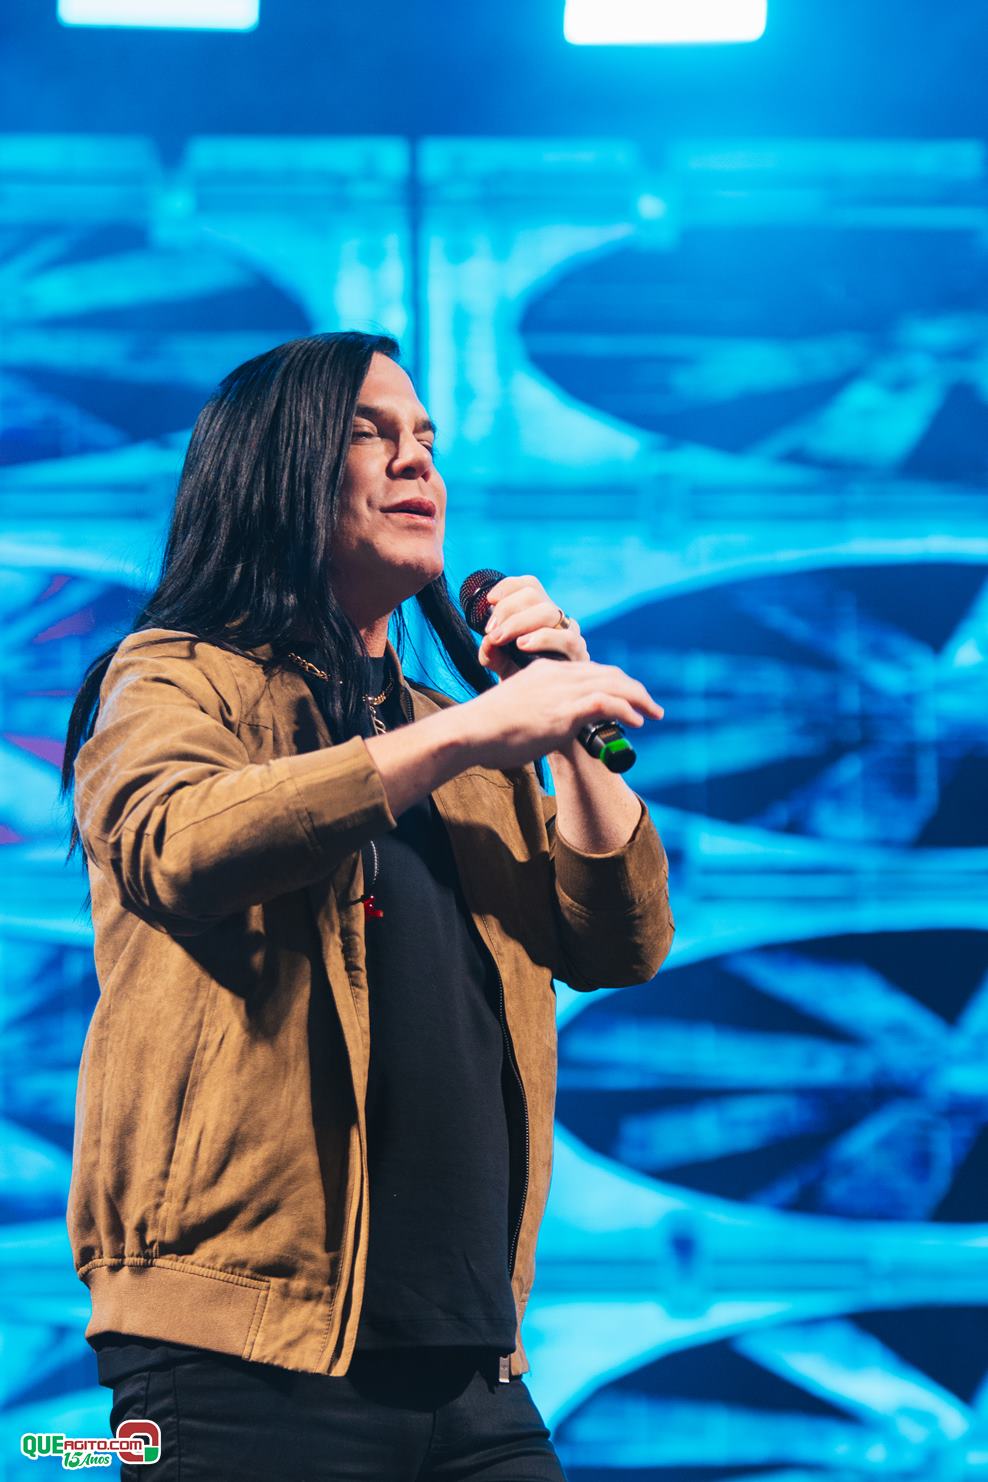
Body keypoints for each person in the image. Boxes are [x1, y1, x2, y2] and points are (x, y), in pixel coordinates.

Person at [61, 330, 675, 1480]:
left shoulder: (463, 732)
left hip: (472, 1360)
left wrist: (561, 719)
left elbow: (619, 941)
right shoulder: (176, 675)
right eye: (369, 435)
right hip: (243, 1355)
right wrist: (470, 732)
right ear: (274, 471)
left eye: (426, 439)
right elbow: (178, 845)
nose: (415, 462)